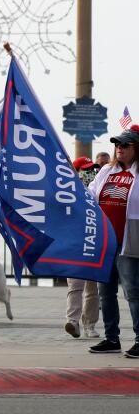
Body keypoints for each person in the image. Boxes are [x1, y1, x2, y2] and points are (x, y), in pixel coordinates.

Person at [88, 125, 139, 358]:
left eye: (125, 145)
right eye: (117, 144)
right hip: (106, 242)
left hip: (130, 242)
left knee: (133, 292)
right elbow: (89, 196)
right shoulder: (106, 172)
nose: (119, 148)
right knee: (105, 292)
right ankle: (111, 338)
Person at [64, 157, 101, 339]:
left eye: (93, 169)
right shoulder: (68, 192)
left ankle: (90, 324)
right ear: (76, 172)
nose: (91, 173)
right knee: (75, 285)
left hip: (93, 243)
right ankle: (72, 321)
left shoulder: (97, 190)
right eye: (86, 170)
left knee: (92, 288)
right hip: (75, 244)